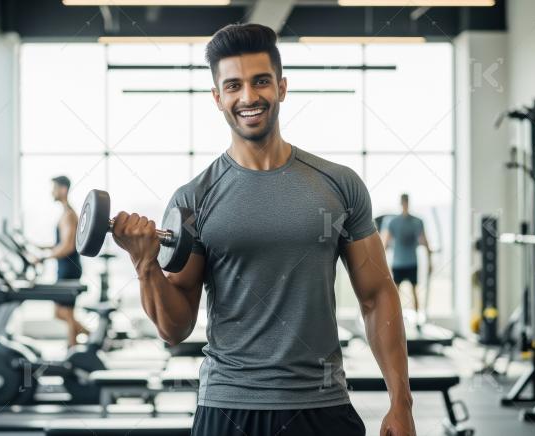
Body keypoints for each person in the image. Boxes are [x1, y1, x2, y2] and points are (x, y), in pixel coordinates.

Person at [110, 24, 415, 436]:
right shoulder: (192, 201)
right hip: (229, 407)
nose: (249, 97)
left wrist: (401, 402)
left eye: (261, 82)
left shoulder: (339, 185)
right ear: (217, 98)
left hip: (321, 406)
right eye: (233, 86)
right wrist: (146, 265)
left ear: (282, 87)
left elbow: (377, 295)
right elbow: (175, 327)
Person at [42, 175, 90, 347]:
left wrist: (44, 257)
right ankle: (82, 341)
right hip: (65, 267)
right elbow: (61, 244)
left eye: (54, 188)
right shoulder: (66, 212)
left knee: (66, 313)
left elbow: (68, 247)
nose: (51, 192)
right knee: (62, 312)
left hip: (69, 268)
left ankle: (75, 347)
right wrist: (43, 248)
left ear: (63, 189)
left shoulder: (69, 214)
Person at [383, 193, 433, 327]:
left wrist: (430, 260)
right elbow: (386, 243)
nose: (405, 204)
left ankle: (417, 320)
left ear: (408, 203)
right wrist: (380, 264)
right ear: (401, 203)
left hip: (411, 262)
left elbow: (424, 240)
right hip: (398, 263)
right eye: (403, 202)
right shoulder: (393, 222)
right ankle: (395, 320)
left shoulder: (417, 222)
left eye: (406, 202)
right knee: (395, 292)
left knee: (414, 290)